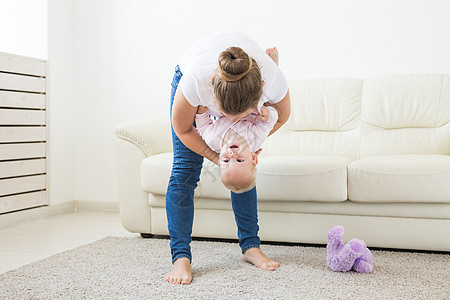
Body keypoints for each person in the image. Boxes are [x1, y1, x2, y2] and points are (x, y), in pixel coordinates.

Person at [166, 31, 290, 285]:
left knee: (241, 175)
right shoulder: (196, 82)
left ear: (261, 91)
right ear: (212, 93)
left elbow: (282, 116)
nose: (234, 121)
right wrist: (218, 157)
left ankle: (250, 246)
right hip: (199, 76)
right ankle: (180, 257)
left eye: (242, 114)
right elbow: (184, 128)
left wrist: (248, 150)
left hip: (256, 80)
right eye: (227, 113)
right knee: (185, 170)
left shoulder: (272, 81)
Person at [195, 105, 278, 193]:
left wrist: (201, 113)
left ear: (219, 160)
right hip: (249, 103)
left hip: (221, 105)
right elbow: (268, 123)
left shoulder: (214, 140)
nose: (232, 155)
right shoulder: (255, 140)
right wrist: (268, 115)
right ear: (253, 158)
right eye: (239, 160)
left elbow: (203, 127)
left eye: (226, 161)